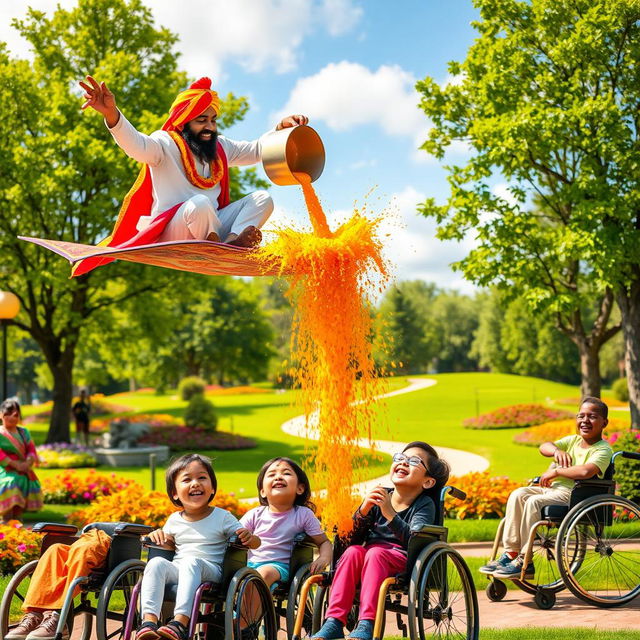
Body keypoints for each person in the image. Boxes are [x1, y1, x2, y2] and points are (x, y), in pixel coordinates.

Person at [73, 75, 308, 276]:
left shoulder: (220, 148)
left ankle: (233, 243)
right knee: (200, 203)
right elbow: (136, 145)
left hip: (211, 227)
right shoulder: (165, 144)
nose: (210, 127)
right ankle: (216, 246)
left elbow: (258, 149)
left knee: (262, 198)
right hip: (172, 232)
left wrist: (280, 130)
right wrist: (112, 114)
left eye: (213, 120)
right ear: (184, 122)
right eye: (202, 120)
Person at [312, 441, 450, 640]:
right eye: (400, 458)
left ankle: (367, 623)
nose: (403, 463)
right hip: (370, 557)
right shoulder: (380, 497)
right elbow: (350, 540)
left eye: (413, 461)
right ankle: (334, 621)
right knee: (352, 552)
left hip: (403, 559)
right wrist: (363, 510)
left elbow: (414, 538)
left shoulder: (424, 504)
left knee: (375, 553)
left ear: (427, 482)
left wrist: (390, 513)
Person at [479, 396, 613, 580]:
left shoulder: (603, 450)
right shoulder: (572, 441)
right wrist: (557, 451)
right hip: (554, 490)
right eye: (581, 416)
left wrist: (557, 471)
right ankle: (510, 553)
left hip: (574, 494)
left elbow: (584, 472)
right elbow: (544, 446)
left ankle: (525, 560)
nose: (585, 421)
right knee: (518, 494)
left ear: (604, 422)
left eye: (592, 416)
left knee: (534, 502)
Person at [135, 453, 257, 640]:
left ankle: (179, 623)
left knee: (191, 562)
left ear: (212, 488)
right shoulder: (174, 520)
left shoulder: (222, 516)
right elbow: (166, 545)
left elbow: (255, 543)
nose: (195, 483)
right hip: (181, 567)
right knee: (156, 563)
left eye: (202, 478)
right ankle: (148, 623)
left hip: (212, 571)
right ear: (175, 492)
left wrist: (250, 537)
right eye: (187, 479)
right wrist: (155, 535)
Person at [239, 457, 332, 590]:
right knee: (246, 576)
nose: (278, 477)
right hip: (251, 565)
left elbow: (324, 542)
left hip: (282, 567)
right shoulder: (255, 514)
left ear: (300, 488)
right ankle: (245, 611)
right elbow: (236, 534)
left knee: (262, 574)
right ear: (263, 491)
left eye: (286, 473)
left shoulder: (303, 514)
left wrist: (323, 559)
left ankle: (248, 611)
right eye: (271, 474)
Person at [4, 526, 112, 640]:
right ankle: (35, 614)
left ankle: (57, 615)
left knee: (83, 552)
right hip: (85, 541)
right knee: (54, 549)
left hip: (102, 554)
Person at [0, 398, 42, 524]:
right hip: (4, 469)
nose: (12, 418)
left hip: (23, 468)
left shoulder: (24, 432)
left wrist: (27, 463)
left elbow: (31, 450)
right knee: (11, 482)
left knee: (22, 479)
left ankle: (17, 517)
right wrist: (15, 465)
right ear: (1, 414)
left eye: (15, 415)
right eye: (7, 414)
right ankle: (6, 516)